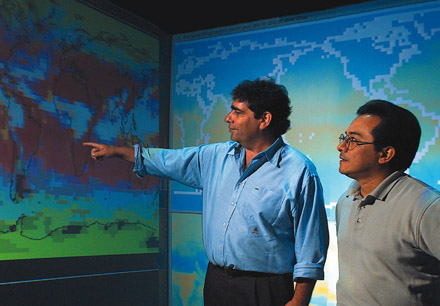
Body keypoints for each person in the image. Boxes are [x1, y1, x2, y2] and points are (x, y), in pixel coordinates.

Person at [84, 78, 329, 306]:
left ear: (264, 119)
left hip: (266, 289)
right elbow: (167, 160)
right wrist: (117, 152)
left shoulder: (299, 172)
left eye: (237, 112)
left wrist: (299, 301)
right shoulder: (216, 156)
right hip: (217, 282)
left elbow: (311, 243)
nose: (227, 118)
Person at [336, 99, 440, 305]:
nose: (341, 146)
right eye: (344, 137)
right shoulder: (346, 200)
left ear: (385, 154)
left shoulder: (426, 206)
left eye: (353, 140)